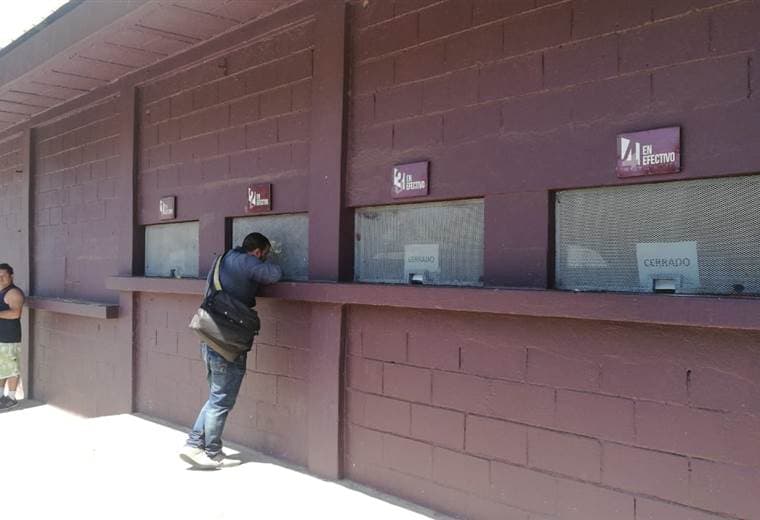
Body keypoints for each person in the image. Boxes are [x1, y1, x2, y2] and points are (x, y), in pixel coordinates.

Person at [180, 232, 282, 469]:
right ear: (258, 252)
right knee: (222, 399)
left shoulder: (222, 259)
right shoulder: (247, 261)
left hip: (209, 336)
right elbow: (274, 275)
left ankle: (196, 444)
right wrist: (266, 264)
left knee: (215, 396)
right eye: (264, 255)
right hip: (227, 341)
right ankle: (209, 451)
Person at [0, 264, 25, 411]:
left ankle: (11, 398)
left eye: (3, 275)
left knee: (12, 368)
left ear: (11, 276)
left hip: (9, 338)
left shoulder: (13, 293)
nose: (0, 278)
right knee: (2, 368)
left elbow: (15, 313)